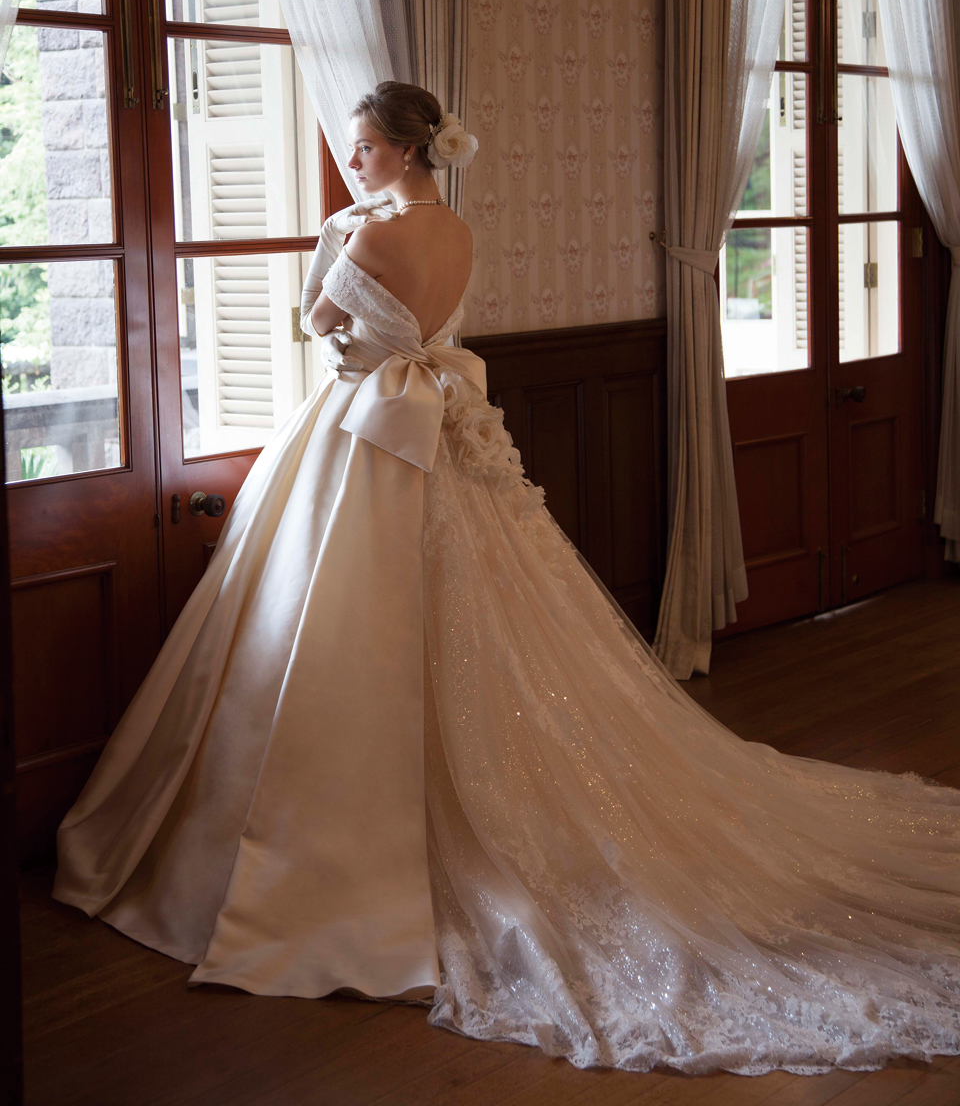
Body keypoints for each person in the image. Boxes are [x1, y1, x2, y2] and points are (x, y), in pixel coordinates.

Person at [54, 81, 960, 1077]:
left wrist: (334, 239)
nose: (352, 163)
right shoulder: (457, 231)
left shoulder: (367, 236)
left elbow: (317, 320)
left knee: (360, 625)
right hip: (433, 437)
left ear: (406, 150)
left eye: (363, 148)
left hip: (368, 441)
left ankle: (349, 847)